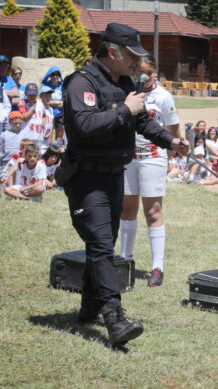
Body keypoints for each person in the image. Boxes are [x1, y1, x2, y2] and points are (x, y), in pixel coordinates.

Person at [61, 23, 189, 346]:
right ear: (113, 52)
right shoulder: (82, 82)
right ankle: (114, 318)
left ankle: (89, 308)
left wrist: (171, 142)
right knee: (102, 244)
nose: (138, 63)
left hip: (114, 175)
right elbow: (85, 126)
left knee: (102, 244)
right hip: (87, 177)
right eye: (132, 56)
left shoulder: (126, 82)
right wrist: (124, 109)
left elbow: (143, 120)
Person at [120, 55, 180, 288]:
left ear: (156, 73)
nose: (143, 77)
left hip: (153, 157)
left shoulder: (164, 97)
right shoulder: (128, 90)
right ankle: (125, 260)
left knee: (153, 210)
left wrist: (170, 157)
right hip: (128, 157)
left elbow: (172, 129)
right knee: (127, 208)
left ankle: (157, 267)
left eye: (148, 72)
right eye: (139, 72)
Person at [41, 67, 65, 147]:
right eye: (53, 74)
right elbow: (45, 101)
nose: (55, 76)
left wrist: (52, 103)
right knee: (49, 137)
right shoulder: (45, 84)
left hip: (59, 114)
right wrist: (58, 103)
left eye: (57, 74)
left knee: (59, 137)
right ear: (50, 75)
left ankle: (57, 155)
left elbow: (64, 102)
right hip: (48, 114)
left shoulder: (62, 85)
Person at [0, 111, 24, 177]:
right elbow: (0, 151)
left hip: (20, 162)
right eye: (15, 123)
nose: (18, 125)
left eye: (20, 123)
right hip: (7, 162)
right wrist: (0, 165)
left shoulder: (24, 133)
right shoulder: (4, 135)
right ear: (10, 122)